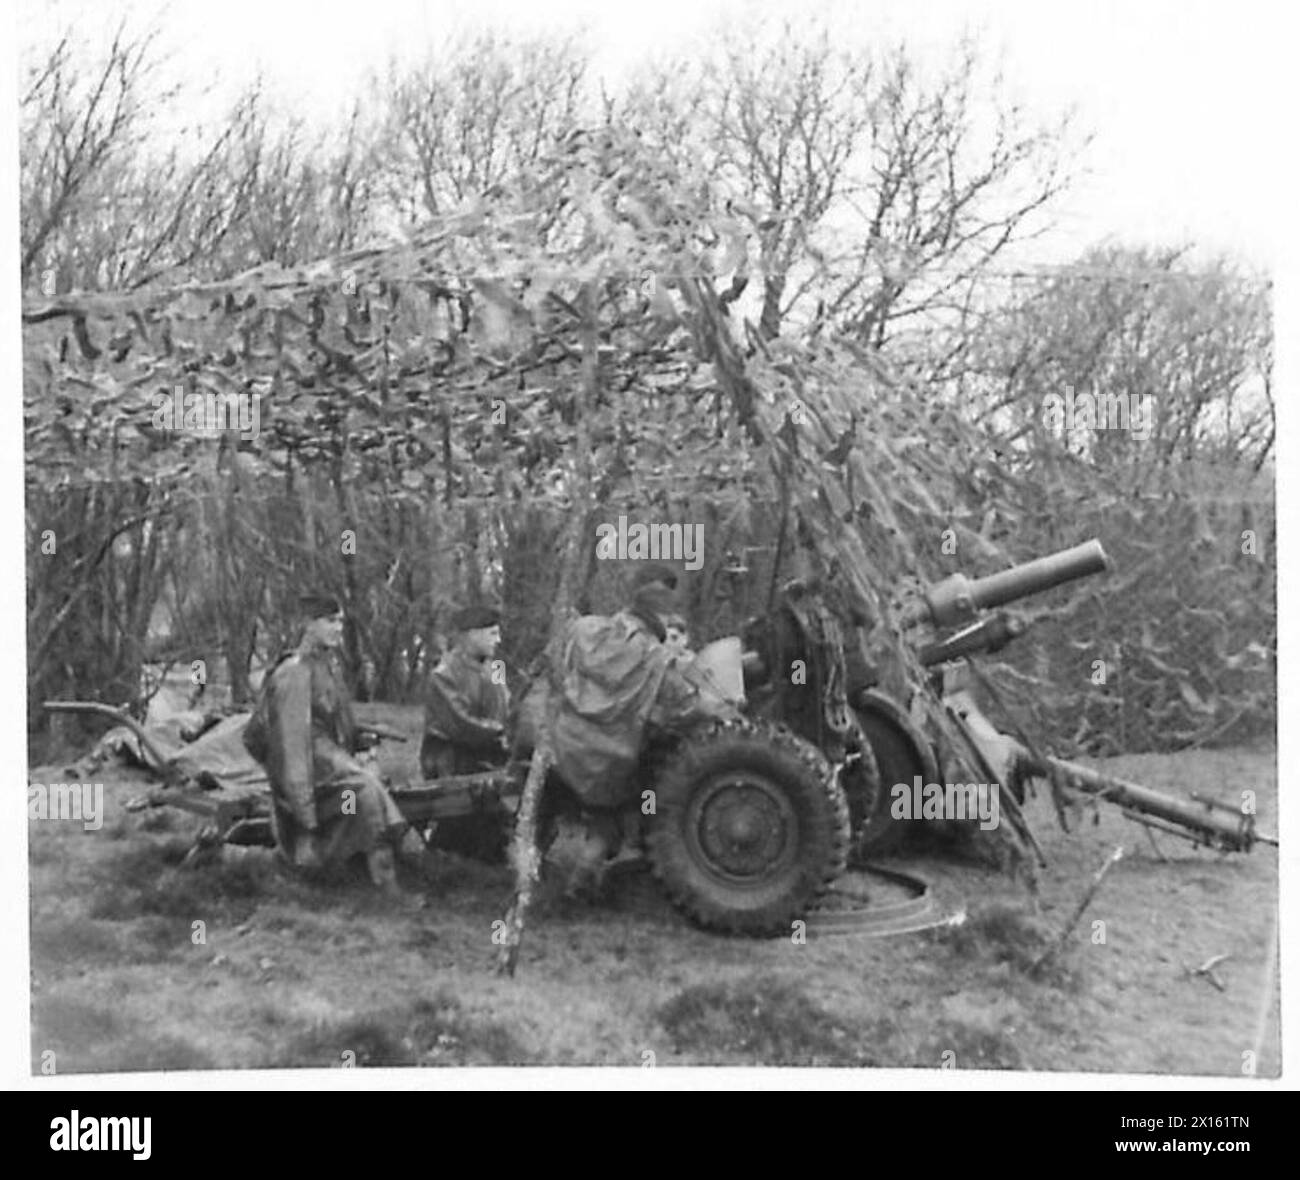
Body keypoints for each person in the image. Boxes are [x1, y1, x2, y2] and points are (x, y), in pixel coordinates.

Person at [242, 594, 407, 892]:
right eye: (330, 621)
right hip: (311, 784)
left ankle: (399, 866)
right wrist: (304, 816)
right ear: (308, 624)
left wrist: (359, 738)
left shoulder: (327, 668)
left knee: (372, 784)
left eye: (340, 621)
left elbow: (335, 723)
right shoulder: (294, 673)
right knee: (366, 793)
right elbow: (292, 749)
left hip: (330, 767)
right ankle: (387, 889)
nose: (338, 628)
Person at [420, 604, 510, 778]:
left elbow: (506, 706)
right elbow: (461, 724)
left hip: (493, 757)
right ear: (473, 635)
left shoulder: (497, 668)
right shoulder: (443, 674)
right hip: (452, 765)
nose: (498, 640)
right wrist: (503, 732)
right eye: (492, 634)